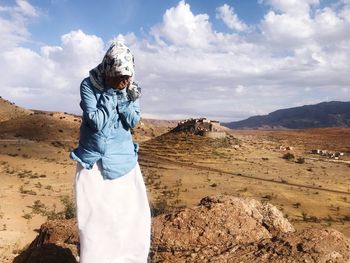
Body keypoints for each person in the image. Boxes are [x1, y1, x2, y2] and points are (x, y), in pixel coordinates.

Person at [70, 41, 151, 263]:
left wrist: (124, 97)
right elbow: (96, 122)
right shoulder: (89, 85)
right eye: (118, 76)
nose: (123, 81)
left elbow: (133, 120)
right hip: (94, 163)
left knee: (129, 217)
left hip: (124, 163)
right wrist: (110, 93)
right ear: (108, 69)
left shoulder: (131, 89)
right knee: (95, 221)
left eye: (126, 76)